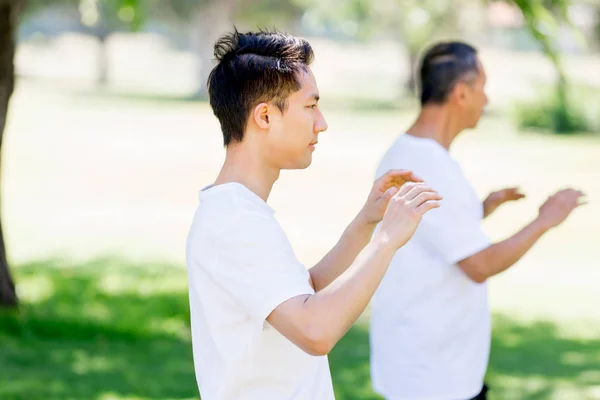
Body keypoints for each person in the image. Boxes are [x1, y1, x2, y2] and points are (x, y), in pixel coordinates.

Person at [184, 29, 442, 400]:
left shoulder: (236, 212)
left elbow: (303, 293)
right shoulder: (235, 223)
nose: (321, 123)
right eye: (310, 106)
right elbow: (315, 330)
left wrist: (365, 223)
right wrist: (386, 241)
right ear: (265, 117)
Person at [369, 41, 587, 400]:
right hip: (433, 378)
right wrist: (545, 219)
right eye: (482, 88)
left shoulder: (408, 153)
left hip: (424, 366)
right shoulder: (429, 167)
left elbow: (428, 228)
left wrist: (481, 208)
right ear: (460, 94)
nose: (486, 100)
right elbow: (479, 264)